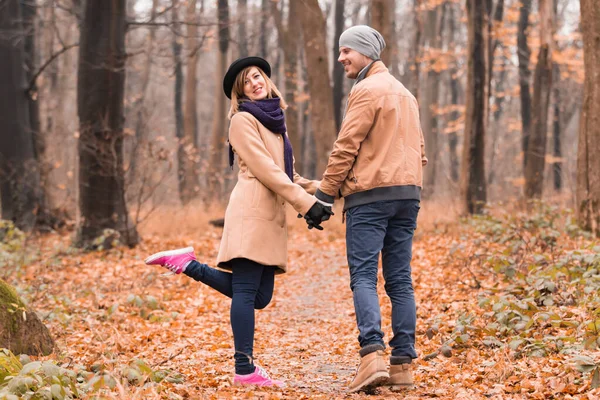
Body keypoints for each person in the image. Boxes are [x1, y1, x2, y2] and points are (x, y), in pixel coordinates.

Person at [144, 56, 333, 387]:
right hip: (252, 213)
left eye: (257, 76)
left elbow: (288, 173)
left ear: (267, 79)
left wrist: (326, 190)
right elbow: (264, 168)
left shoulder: (274, 123)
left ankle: (187, 264)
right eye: (247, 82)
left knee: (260, 297)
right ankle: (244, 369)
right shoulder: (242, 120)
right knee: (247, 292)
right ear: (240, 93)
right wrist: (305, 204)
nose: (255, 83)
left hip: (268, 216)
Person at [314, 26, 427, 392]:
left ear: (366, 52)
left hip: (371, 198)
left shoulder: (366, 90)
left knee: (363, 276)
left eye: (347, 50)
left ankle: (371, 355)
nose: (341, 58)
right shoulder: (406, 93)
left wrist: (325, 195)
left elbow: (346, 147)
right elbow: (420, 152)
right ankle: (403, 366)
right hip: (408, 196)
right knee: (399, 279)